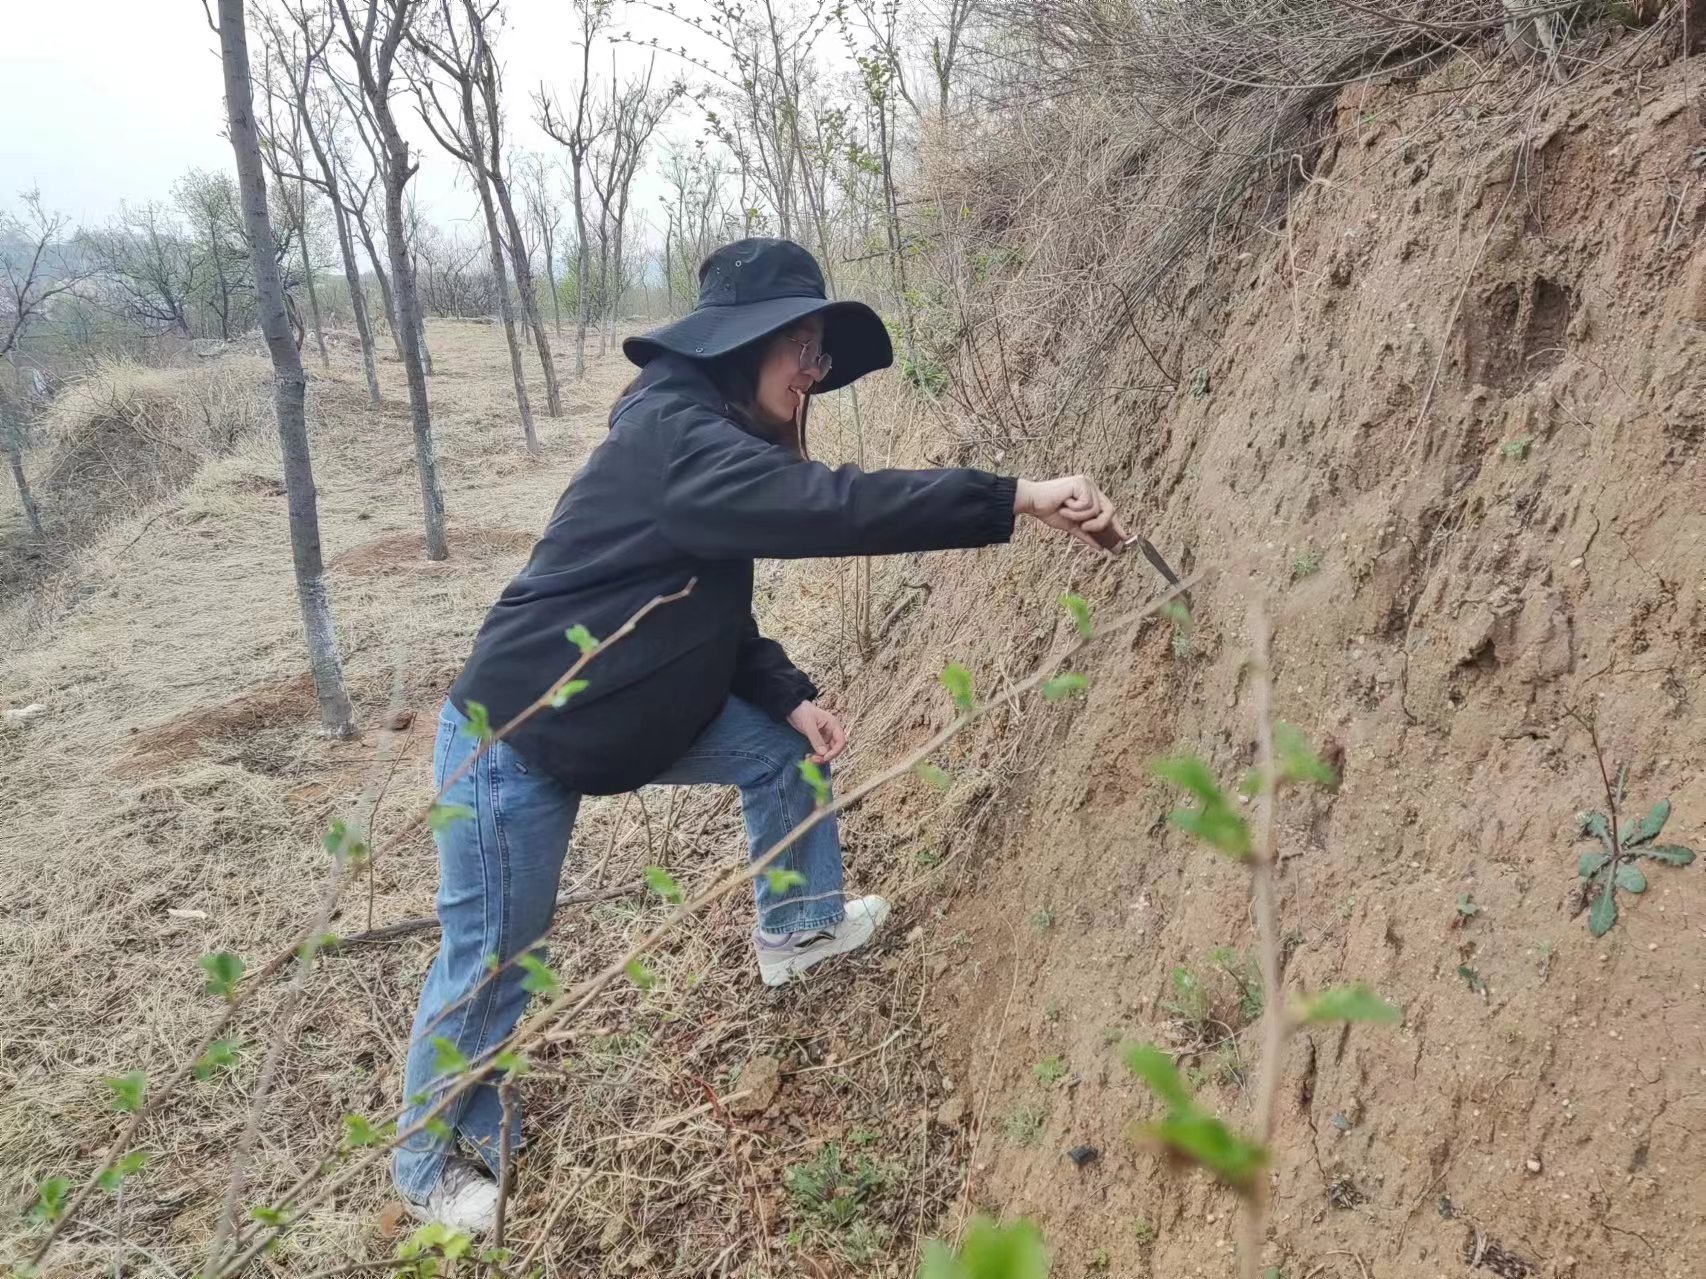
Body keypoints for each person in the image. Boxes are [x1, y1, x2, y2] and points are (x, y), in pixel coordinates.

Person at [395, 237, 1125, 1230]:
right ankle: (432, 1156)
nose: (814, 373)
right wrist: (1011, 495)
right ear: (746, 344)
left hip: (631, 715)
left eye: (821, 354)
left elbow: (706, 608)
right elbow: (826, 504)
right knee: (493, 954)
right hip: (517, 739)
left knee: (785, 748)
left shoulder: (705, 440)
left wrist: (781, 691)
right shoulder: (676, 436)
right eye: (806, 348)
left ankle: (796, 927)